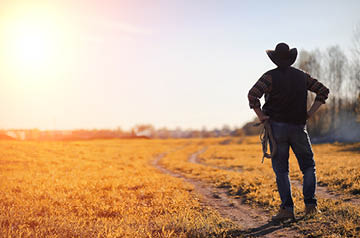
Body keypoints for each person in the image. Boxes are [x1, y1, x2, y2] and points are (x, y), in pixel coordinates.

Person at [247, 42, 329, 221]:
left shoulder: (269, 77)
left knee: (282, 171)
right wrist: (310, 113)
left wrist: (261, 115)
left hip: (277, 129)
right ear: (291, 59)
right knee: (308, 167)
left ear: (275, 59)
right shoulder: (302, 77)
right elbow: (323, 91)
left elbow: (253, 95)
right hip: (299, 127)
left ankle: (287, 210)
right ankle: (310, 206)